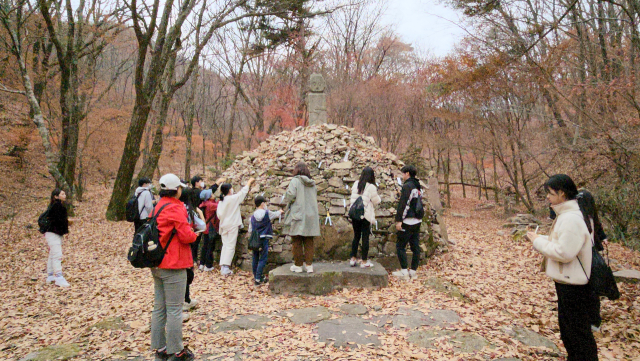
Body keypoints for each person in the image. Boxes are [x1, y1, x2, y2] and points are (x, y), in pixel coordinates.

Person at [527, 174, 598, 361]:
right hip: (568, 281)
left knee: (577, 334)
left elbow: (564, 253)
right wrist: (539, 239)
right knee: (570, 331)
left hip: (574, 285)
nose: (548, 197)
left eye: (550, 193)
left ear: (562, 193)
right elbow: (562, 243)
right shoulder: (566, 215)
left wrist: (537, 243)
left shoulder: (571, 219)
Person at [151, 173, 198, 361]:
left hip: (157, 262)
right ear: (176, 190)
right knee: (174, 310)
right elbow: (186, 235)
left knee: (159, 308)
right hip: (173, 264)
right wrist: (194, 234)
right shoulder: (175, 208)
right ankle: (176, 351)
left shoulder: (158, 206)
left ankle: (160, 348)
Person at [576, 189, 609, 332]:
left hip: (590, 255)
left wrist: (602, 237)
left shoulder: (587, 217)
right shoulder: (579, 216)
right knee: (587, 289)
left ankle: (593, 321)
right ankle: (590, 320)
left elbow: (597, 225)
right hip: (584, 255)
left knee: (590, 289)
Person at [283, 162, 320, 273]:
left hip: (298, 214)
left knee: (297, 240)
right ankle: (309, 266)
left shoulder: (295, 181)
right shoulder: (312, 184)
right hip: (311, 215)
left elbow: (290, 195)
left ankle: (298, 266)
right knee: (309, 241)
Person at [217, 178, 255, 275]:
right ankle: (225, 267)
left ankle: (222, 266)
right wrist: (249, 182)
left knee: (225, 245)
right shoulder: (232, 199)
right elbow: (242, 193)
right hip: (232, 224)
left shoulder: (221, 201)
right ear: (230, 190)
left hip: (223, 225)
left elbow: (219, 215)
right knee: (230, 246)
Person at [392, 165, 422, 280]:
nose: (402, 176)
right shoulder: (418, 185)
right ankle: (413, 271)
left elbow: (404, 204)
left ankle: (404, 272)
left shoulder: (407, 186)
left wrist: (399, 220)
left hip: (408, 221)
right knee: (415, 246)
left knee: (400, 246)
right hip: (417, 220)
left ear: (407, 173)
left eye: (403, 173)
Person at [349, 167, 381, 268]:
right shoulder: (371, 187)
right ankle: (364, 261)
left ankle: (353, 259)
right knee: (365, 238)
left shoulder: (356, 184)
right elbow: (376, 201)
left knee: (356, 236)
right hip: (365, 215)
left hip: (355, 214)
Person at [248, 195, 282, 285]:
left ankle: (256, 276)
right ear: (262, 204)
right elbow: (275, 214)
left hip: (255, 239)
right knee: (263, 258)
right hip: (264, 237)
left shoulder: (252, 216)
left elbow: (250, 230)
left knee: (255, 257)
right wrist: (280, 211)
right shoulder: (267, 213)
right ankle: (258, 278)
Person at [44, 189, 70, 287]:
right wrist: (66, 226)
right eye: (62, 194)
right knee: (57, 254)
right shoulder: (57, 206)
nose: (65, 195)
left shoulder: (54, 206)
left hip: (53, 233)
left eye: (64, 193)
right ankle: (59, 277)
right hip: (53, 233)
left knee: (52, 254)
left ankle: (50, 276)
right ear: (56, 196)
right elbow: (59, 221)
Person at [200, 191, 221, 272]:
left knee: (204, 246)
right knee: (210, 247)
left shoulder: (204, 203)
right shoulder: (210, 204)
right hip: (211, 227)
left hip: (205, 227)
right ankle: (208, 265)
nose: (213, 195)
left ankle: (202, 263)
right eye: (211, 194)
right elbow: (219, 206)